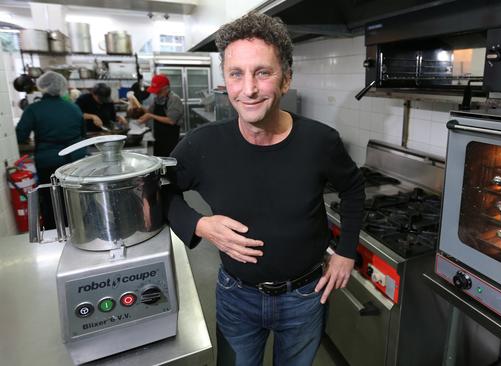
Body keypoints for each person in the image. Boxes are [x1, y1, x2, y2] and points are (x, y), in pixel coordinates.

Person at [164, 12, 365, 366]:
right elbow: (160, 191)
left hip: (306, 296)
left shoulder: (320, 141)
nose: (249, 89)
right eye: (236, 74)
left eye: (263, 72)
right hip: (236, 296)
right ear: (225, 81)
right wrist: (200, 225)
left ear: (285, 79)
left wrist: (346, 251)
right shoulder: (202, 145)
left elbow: (353, 188)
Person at [15, 71, 87, 229]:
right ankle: (81, 229)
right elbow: (83, 133)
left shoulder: (34, 109)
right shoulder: (73, 107)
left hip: (49, 162)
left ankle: (55, 234)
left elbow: (20, 136)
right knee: (76, 200)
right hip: (76, 162)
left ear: (42, 87)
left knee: (51, 201)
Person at [137, 74, 184, 157]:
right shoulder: (158, 99)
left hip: (171, 141)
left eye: (158, 91)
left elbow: (171, 121)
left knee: (170, 165)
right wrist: (138, 107)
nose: (156, 93)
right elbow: (148, 112)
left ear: (166, 88)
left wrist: (151, 116)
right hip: (158, 139)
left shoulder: (174, 99)